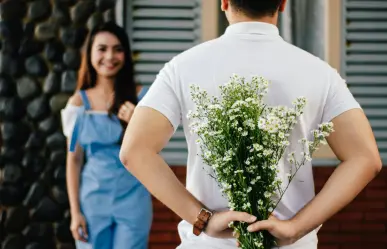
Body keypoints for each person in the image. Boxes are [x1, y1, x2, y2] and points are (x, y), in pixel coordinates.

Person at [119, 0, 383, 249]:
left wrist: (204, 220)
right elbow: (365, 158)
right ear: (282, 3)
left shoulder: (182, 67)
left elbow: (134, 151)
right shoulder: (321, 73)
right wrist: (296, 227)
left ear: (223, 2)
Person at [61, 22, 152, 249]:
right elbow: (73, 159)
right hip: (92, 203)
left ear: (126, 55)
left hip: (133, 200)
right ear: (90, 53)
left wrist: (137, 123)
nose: (110, 56)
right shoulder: (78, 104)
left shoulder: (143, 98)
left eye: (118, 49)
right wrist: (75, 212)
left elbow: (154, 151)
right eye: (102, 49)